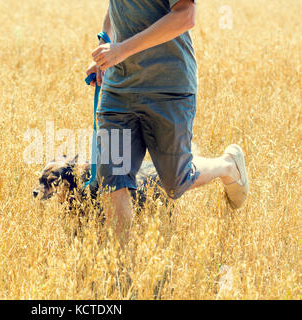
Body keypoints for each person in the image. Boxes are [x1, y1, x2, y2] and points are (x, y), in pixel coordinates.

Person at [86, 0, 249, 247]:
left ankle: (227, 166)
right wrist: (105, 46)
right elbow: (115, 8)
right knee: (113, 179)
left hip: (169, 87)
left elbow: (185, 16)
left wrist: (122, 50)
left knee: (176, 181)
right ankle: (121, 277)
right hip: (118, 92)